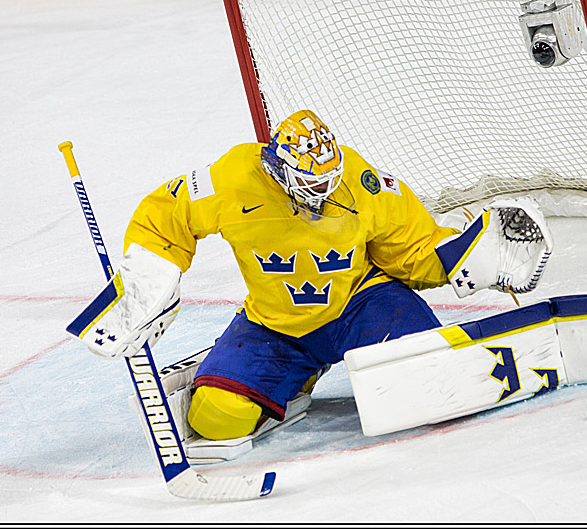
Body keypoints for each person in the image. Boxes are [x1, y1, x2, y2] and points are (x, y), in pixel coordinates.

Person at [71, 109, 552, 448]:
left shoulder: (363, 182)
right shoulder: (232, 177)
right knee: (215, 420)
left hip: (361, 306)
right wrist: (144, 285)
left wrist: (469, 256)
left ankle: (332, 360)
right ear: (278, 170)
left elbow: (411, 249)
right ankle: (297, 376)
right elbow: (165, 219)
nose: (324, 195)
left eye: (330, 182)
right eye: (311, 185)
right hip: (276, 325)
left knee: (423, 383)